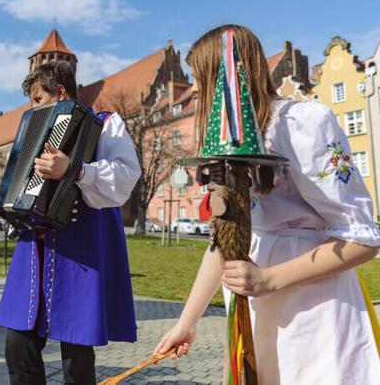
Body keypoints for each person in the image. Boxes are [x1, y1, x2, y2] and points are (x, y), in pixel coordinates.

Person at [153, 24, 380, 384]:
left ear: (225, 77)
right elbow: (225, 240)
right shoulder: (229, 144)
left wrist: (270, 278)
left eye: (201, 78)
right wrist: (187, 321)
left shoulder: (303, 124)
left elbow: (362, 239)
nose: (195, 90)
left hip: (312, 308)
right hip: (255, 310)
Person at [0, 61, 141, 385]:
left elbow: (125, 177)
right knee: (17, 346)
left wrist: (75, 170)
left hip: (80, 253)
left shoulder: (105, 124)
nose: (32, 108)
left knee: (76, 359)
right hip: (35, 251)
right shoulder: (33, 133)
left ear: (60, 93)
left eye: (38, 99)